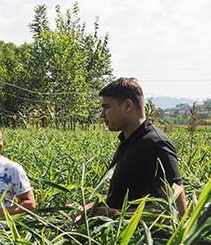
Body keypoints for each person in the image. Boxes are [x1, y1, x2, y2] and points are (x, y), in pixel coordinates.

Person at [71, 77, 187, 222]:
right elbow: (129, 194)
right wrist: (91, 207)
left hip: (142, 242)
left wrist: (115, 215)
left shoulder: (155, 144)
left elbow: (177, 209)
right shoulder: (129, 140)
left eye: (106, 107)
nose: (102, 114)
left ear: (127, 106)